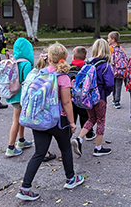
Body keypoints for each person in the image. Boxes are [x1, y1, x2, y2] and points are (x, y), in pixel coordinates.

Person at [16, 43, 84, 201]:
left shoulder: (41, 73)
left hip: (39, 119)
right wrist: (72, 123)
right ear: (63, 58)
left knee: (39, 153)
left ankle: (25, 188)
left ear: (49, 58)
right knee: (66, 149)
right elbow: (67, 103)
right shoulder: (63, 77)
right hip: (58, 120)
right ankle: (70, 179)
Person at [71, 39, 114, 157]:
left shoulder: (88, 63)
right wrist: (105, 93)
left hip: (88, 97)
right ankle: (98, 148)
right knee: (100, 121)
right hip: (100, 97)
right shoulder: (105, 66)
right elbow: (110, 84)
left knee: (91, 119)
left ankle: (79, 139)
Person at [5, 38, 34, 157]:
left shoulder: (14, 61)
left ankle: (21, 140)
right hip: (21, 96)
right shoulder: (26, 64)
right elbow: (28, 81)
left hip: (13, 94)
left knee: (20, 118)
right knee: (16, 120)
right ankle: (11, 147)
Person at [68, 46, 96, 141]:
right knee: (85, 116)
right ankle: (89, 134)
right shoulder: (86, 68)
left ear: (73, 57)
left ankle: (68, 135)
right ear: (85, 57)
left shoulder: (68, 68)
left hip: (71, 98)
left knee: (72, 117)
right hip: (83, 98)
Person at [108, 31, 128, 109]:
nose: (108, 40)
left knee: (113, 85)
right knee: (118, 85)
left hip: (113, 70)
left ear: (113, 39)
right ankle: (117, 101)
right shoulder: (121, 48)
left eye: (109, 38)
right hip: (121, 70)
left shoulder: (110, 48)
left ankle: (114, 99)